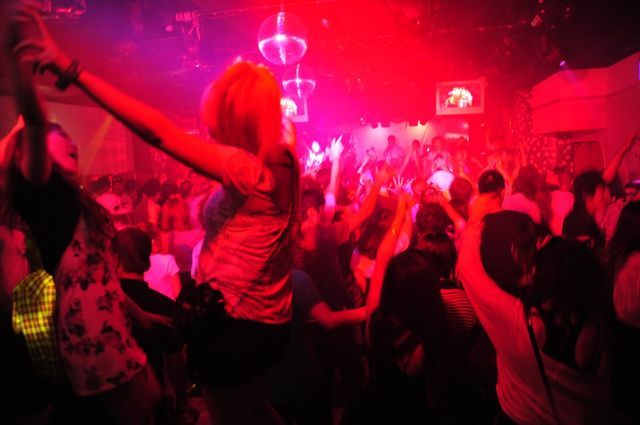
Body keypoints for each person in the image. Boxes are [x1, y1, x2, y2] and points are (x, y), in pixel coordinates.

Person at [12, 6, 300, 425]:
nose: (210, 132)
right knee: (257, 411)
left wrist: (70, 68)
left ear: (234, 118)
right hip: (267, 322)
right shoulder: (282, 161)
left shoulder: (248, 169)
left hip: (234, 326)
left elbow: (159, 132)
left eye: (215, 122)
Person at [4, 19, 162, 423]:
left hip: (114, 327)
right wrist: (20, 65)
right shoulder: (44, 197)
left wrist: (140, 315)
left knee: (155, 400)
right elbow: (33, 122)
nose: (73, 142)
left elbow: (99, 277)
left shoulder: (78, 201)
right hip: (92, 341)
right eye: (61, 138)